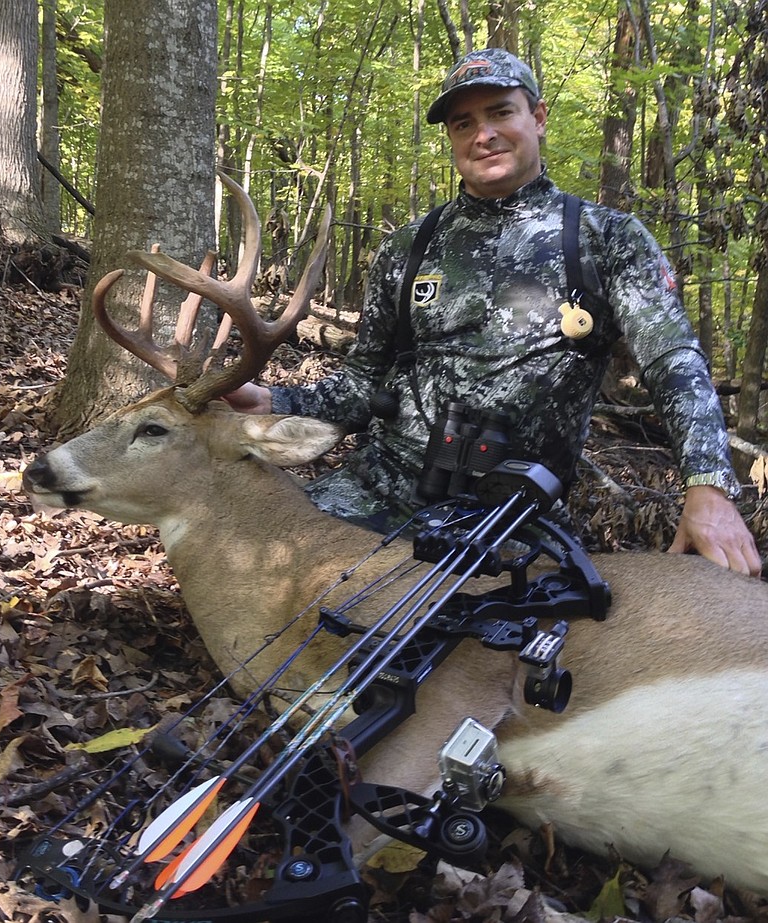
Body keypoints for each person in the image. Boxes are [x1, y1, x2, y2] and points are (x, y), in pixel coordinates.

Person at [228, 47, 761, 578]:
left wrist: (707, 484)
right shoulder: (411, 247)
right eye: (464, 123)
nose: (483, 134)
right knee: (256, 573)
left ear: (539, 117)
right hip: (374, 493)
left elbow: (673, 360)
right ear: (453, 139)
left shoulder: (608, 240)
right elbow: (365, 381)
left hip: (513, 521)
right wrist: (276, 399)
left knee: (530, 651)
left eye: (501, 112)